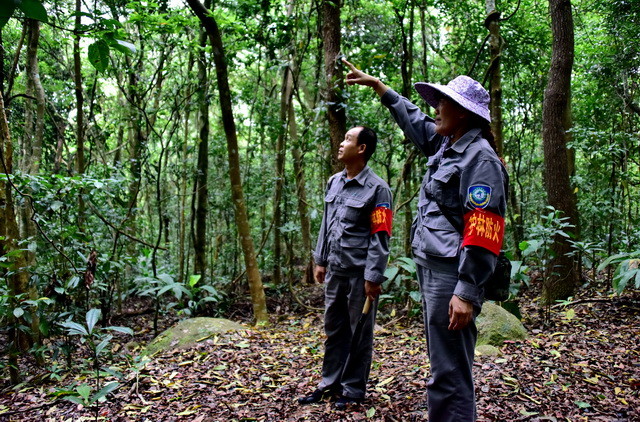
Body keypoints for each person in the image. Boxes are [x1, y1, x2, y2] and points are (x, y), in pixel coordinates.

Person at [343, 58, 508, 421]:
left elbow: (484, 230)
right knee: (442, 364)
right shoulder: (446, 144)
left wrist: (466, 291)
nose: (436, 108)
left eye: (443, 103)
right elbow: (415, 120)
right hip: (432, 268)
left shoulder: (480, 159)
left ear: (464, 114)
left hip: (453, 274)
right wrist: (380, 89)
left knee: (449, 371)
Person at [298, 126, 392, 410]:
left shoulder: (378, 188)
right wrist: (320, 259)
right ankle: (329, 384)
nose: (341, 143)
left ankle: (353, 389)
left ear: (362, 148)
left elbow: (381, 235)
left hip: (360, 274)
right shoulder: (334, 182)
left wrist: (373, 277)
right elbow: (327, 223)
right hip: (335, 271)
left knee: (359, 332)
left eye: (348, 140)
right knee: (334, 329)